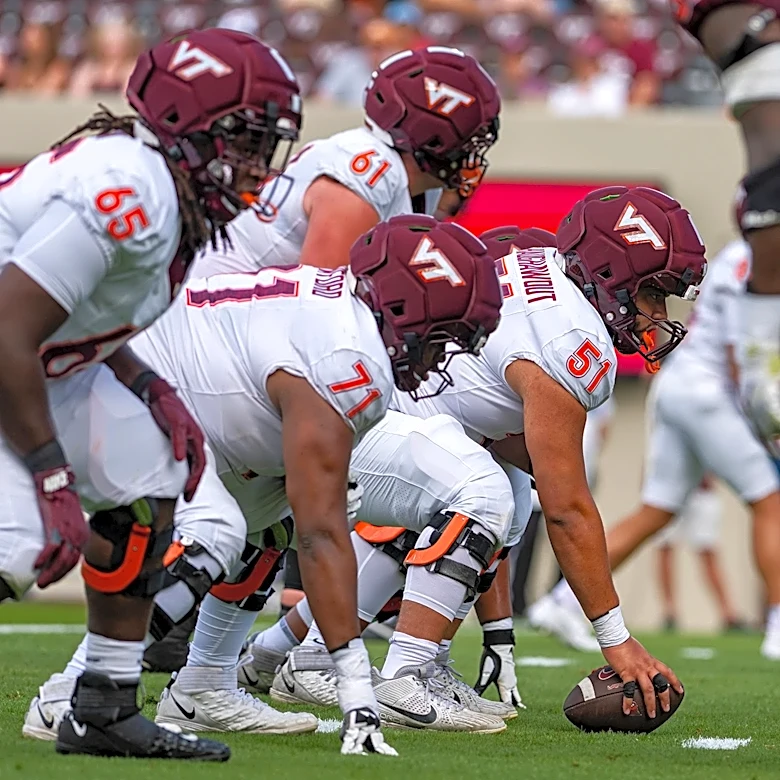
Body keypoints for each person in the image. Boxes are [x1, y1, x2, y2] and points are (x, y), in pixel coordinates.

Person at [25, 214, 504, 753]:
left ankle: (203, 684)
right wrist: (357, 693)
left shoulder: (346, 315)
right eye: (442, 336)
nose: (443, 356)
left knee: (268, 515)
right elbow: (321, 537)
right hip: (117, 392)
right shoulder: (348, 358)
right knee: (217, 528)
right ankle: (75, 691)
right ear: (400, 311)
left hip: (163, 393)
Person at [253, 186, 708, 721]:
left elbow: (516, 458)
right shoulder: (573, 340)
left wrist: (500, 634)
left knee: (501, 486)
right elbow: (566, 509)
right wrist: (617, 639)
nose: (658, 314)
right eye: (653, 295)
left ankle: (294, 654)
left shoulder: (544, 271)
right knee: (483, 490)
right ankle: (401, 672)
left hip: (359, 409)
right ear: (612, 277)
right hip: (348, 413)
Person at [139, 43, 502, 671]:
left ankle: (215, 662)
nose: (476, 153)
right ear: (436, 132)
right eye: (471, 136)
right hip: (210, 349)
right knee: (342, 489)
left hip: (234, 350)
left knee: (284, 505)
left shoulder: (392, 181)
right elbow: (323, 310)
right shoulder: (375, 173)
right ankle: (316, 657)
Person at [0, 28, 301, 760]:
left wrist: (145, 384)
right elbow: (7, 328)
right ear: (184, 123)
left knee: (150, 477)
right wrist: (51, 474)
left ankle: (100, 703)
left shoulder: (168, 185)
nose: (257, 164)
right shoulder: (128, 189)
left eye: (266, 143)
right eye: (243, 138)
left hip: (34, 359)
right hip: (10, 354)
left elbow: (83, 311)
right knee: (17, 545)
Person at [540, 237, 780, 656]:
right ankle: (779, 624)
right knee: (770, 502)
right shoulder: (754, 260)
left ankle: (560, 601)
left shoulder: (737, 256)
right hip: (708, 390)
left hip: (679, 383)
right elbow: (739, 351)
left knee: (658, 510)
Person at [672, 0, 780, 649]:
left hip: (712, 386)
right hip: (720, 386)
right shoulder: (751, 247)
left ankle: (569, 605)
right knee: (767, 501)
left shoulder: (748, 238)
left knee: (661, 511)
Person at [655, 475, 745, 632]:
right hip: (668, 492)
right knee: (666, 549)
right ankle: (669, 613)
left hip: (702, 492)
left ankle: (729, 614)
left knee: (708, 552)